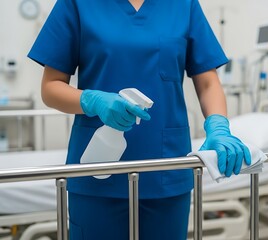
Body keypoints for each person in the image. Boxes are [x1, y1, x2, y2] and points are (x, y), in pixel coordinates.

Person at [28, 0, 251, 239]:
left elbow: (208, 81)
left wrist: (218, 127)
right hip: (96, 171)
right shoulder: (77, 4)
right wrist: (93, 100)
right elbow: (50, 88)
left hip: (167, 170)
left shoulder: (183, 5)